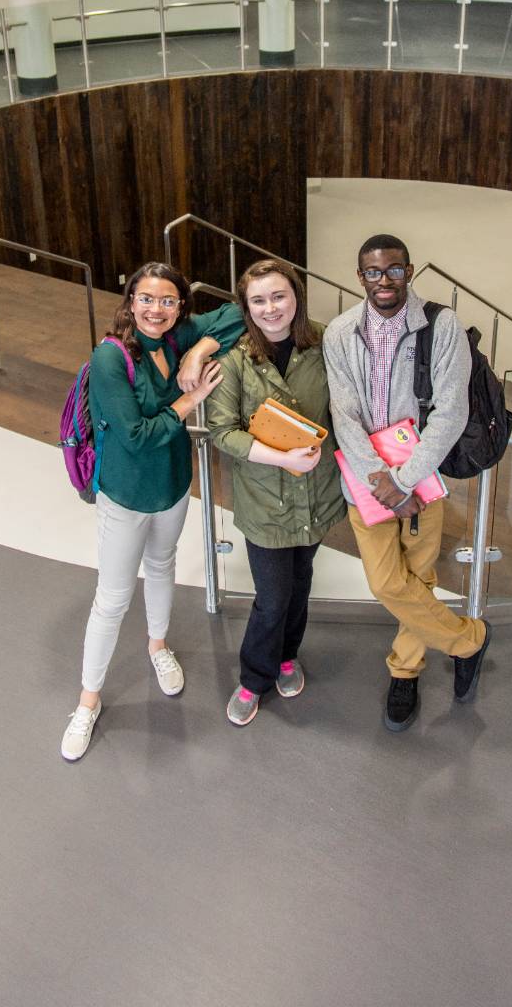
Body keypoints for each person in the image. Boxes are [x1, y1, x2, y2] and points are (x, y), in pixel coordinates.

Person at [61, 262, 244, 761]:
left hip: (172, 486)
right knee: (113, 598)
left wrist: (202, 348)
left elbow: (238, 312)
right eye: (146, 299)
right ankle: (87, 702)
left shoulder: (178, 335)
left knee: (162, 566)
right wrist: (191, 399)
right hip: (125, 494)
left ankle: (158, 647)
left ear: (180, 306)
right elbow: (137, 437)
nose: (156, 310)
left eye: (167, 300)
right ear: (129, 301)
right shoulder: (109, 358)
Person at [322, 233, 491, 732]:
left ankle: (406, 670)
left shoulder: (441, 325)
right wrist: (382, 483)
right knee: (386, 581)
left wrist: (406, 480)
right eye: (373, 272)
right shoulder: (339, 332)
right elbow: (343, 413)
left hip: (422, 478)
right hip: (368, 481)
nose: (384, 280)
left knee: (419, 579)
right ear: (360, 277)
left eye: (394, 269)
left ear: (409, 270)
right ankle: (468, 639)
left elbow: (451, 411)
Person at [206, 259, 345, 726]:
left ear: (296, 298)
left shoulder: (328, 342)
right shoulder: (235, 358)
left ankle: (288, 657)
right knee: (272, 596)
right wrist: (282, 458)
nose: (271, 308)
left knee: (301, 582)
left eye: (279, 296)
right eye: (258, 300)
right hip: (266, 499)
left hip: (317, 494)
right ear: (245, 307)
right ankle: (253, 678)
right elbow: (221, 431)